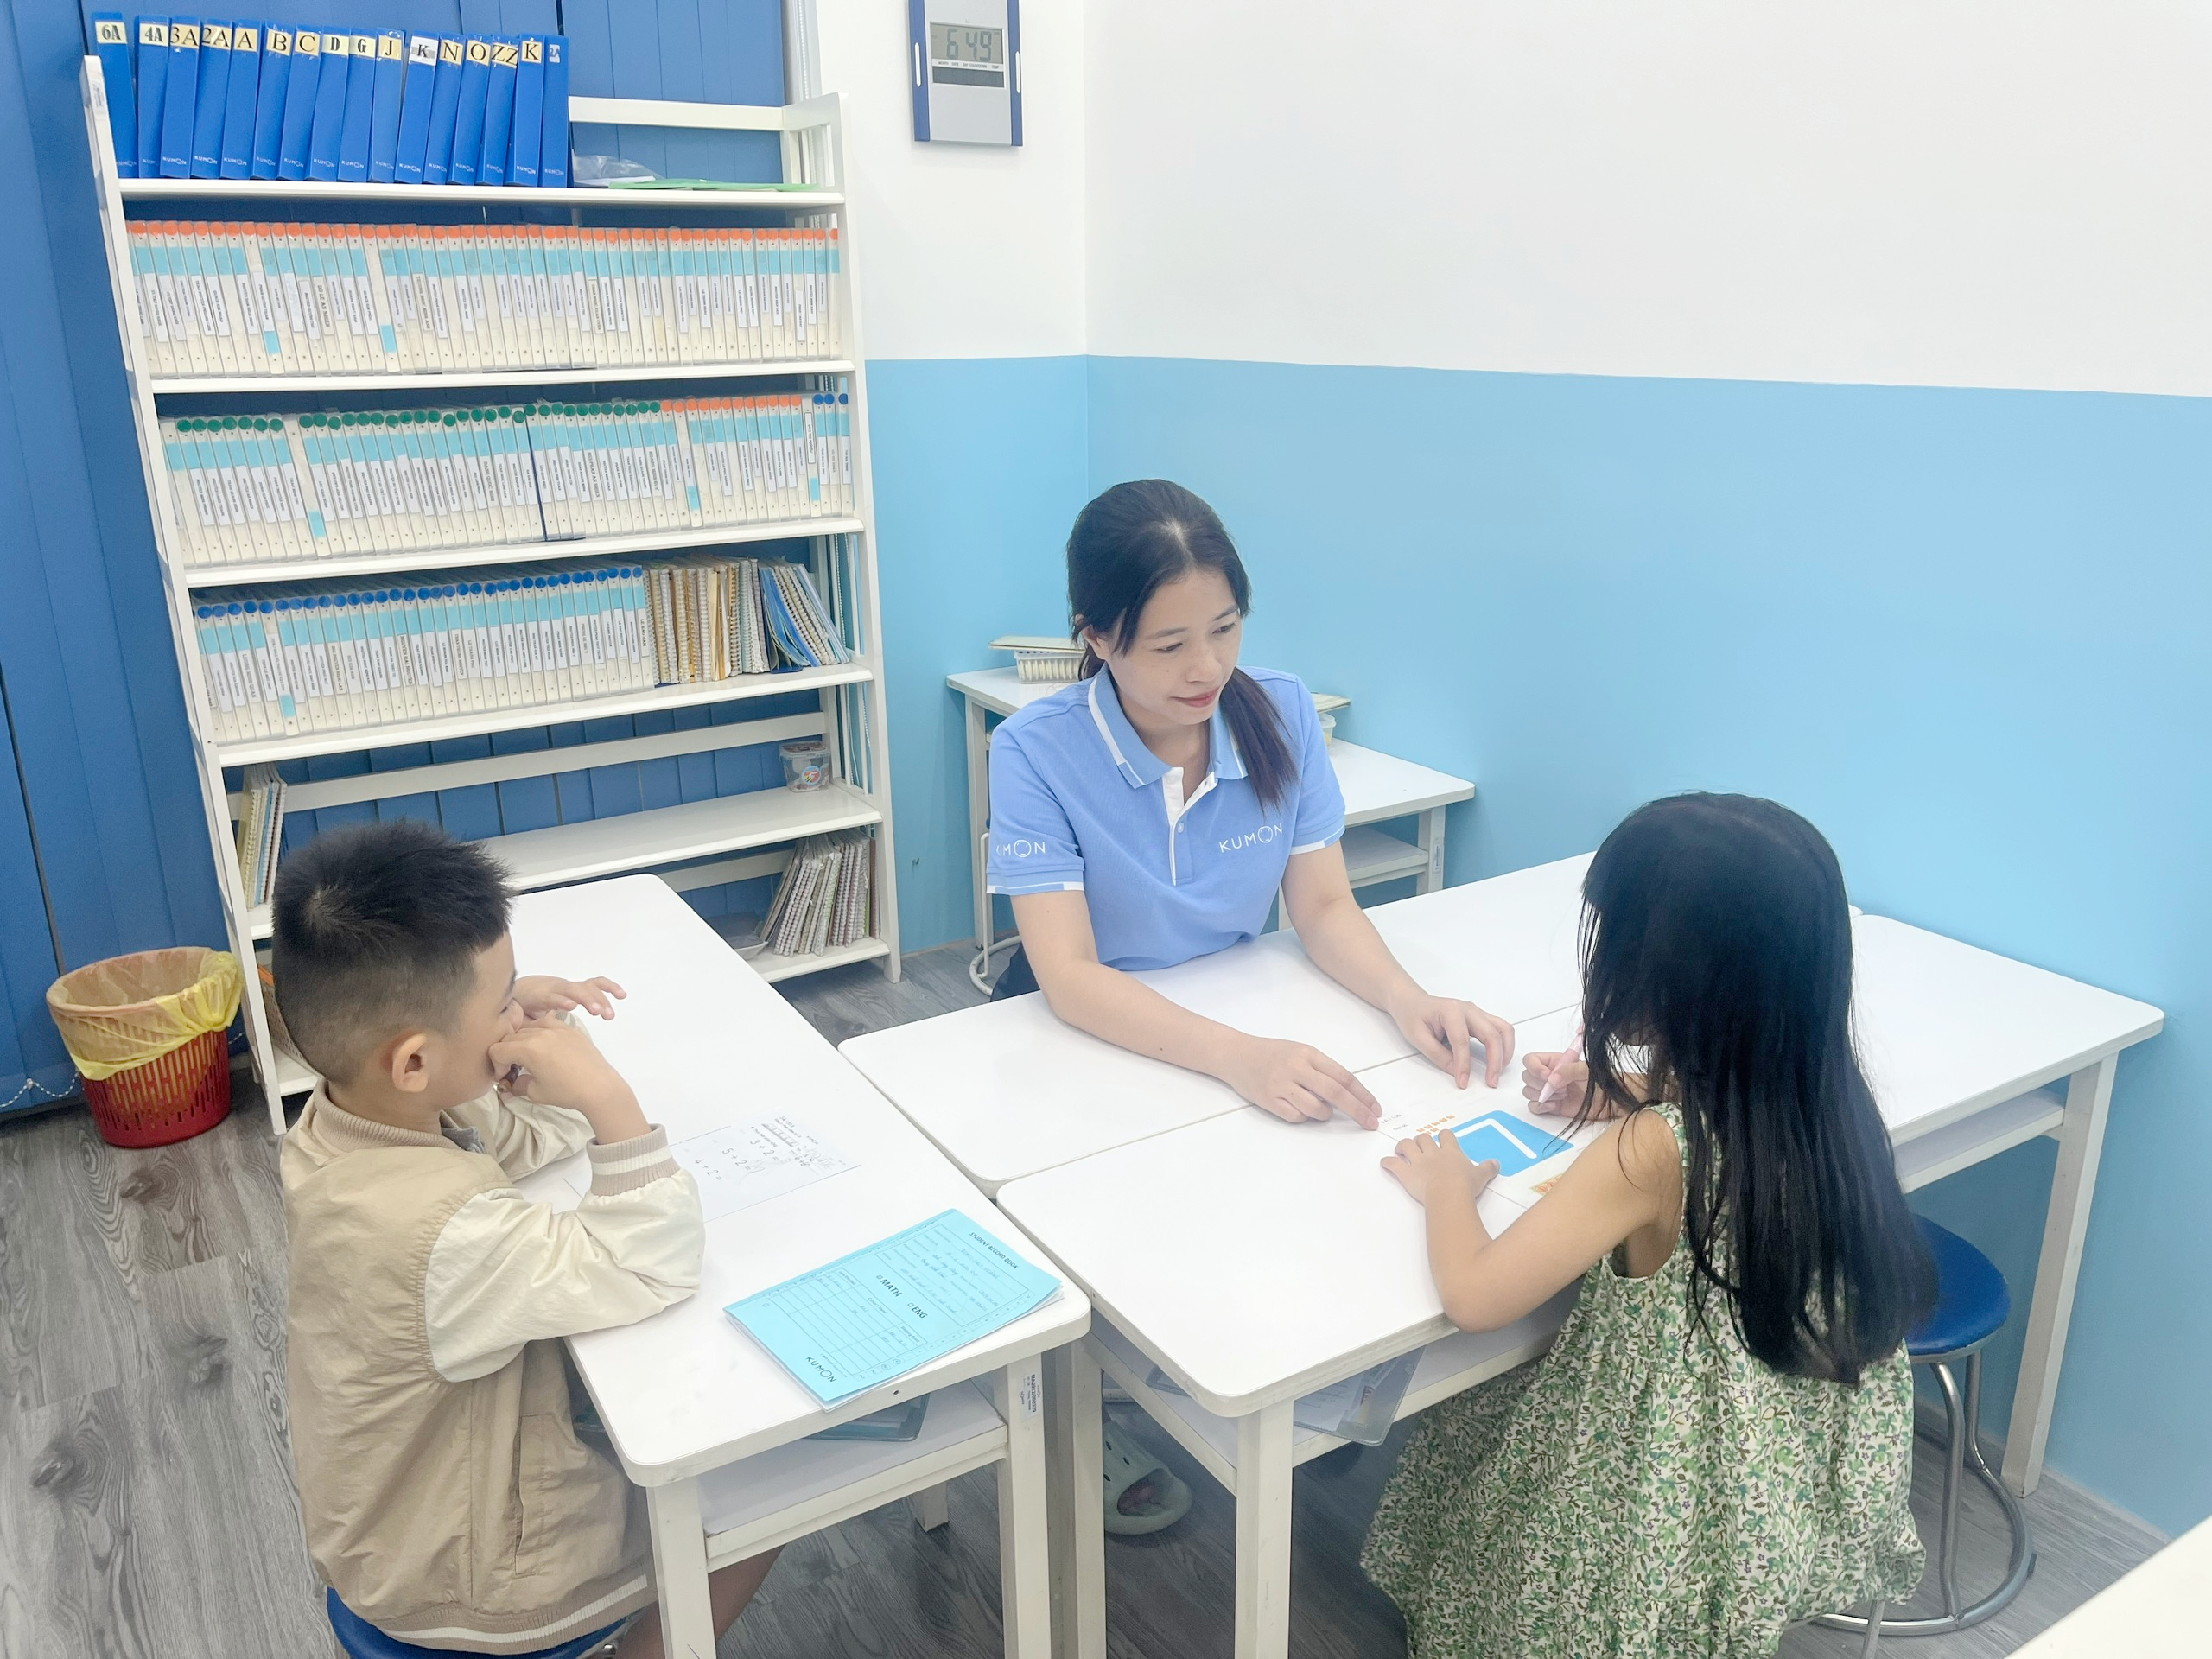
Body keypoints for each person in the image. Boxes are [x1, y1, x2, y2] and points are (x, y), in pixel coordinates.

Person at [1363, 793, 1934, 1657]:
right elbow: (1729, 1119)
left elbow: (1476, 1299)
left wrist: (1447, 1188)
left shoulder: (1650, 1153)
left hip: (1651, 1482)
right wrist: (1627, 1088)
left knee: (1468, 1421)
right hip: (1768, 1472)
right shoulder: (1827, 1100)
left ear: (1664, 973)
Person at [272, 820, 773, 1657]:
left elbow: (528, 1140)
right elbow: (651, 1264)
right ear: (414, 1063)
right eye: (503, 999)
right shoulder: (441, 1231)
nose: (519, 1013)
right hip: (480, 1584)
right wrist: (610, 1101)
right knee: (762, 1499)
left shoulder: (341, 1124)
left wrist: (521, 1035)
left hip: (392, 1532)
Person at [987, 478, 1516, 1128]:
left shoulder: (1284, 710)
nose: (1208, 668)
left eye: (1225, 628)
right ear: (1096, 637)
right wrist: (1237, 1057)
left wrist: (1407, 999)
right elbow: (1069, 975)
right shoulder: (1033, 750)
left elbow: (1323, 907)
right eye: (1170, 646)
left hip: (1232, 1004)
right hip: (1086, 1036)